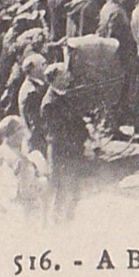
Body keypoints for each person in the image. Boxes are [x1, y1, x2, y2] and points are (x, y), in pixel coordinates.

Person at [40, 63, 90, 223]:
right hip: (62, 153)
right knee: (61, 190)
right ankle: (58, 224)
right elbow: (59, 133)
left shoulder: (62, 96)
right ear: (54, 79)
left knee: (72, 190)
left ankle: (67, 221)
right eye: (64, 75)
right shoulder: (50, 103)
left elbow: (75, 121)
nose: (68, 77)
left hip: (72, 151)